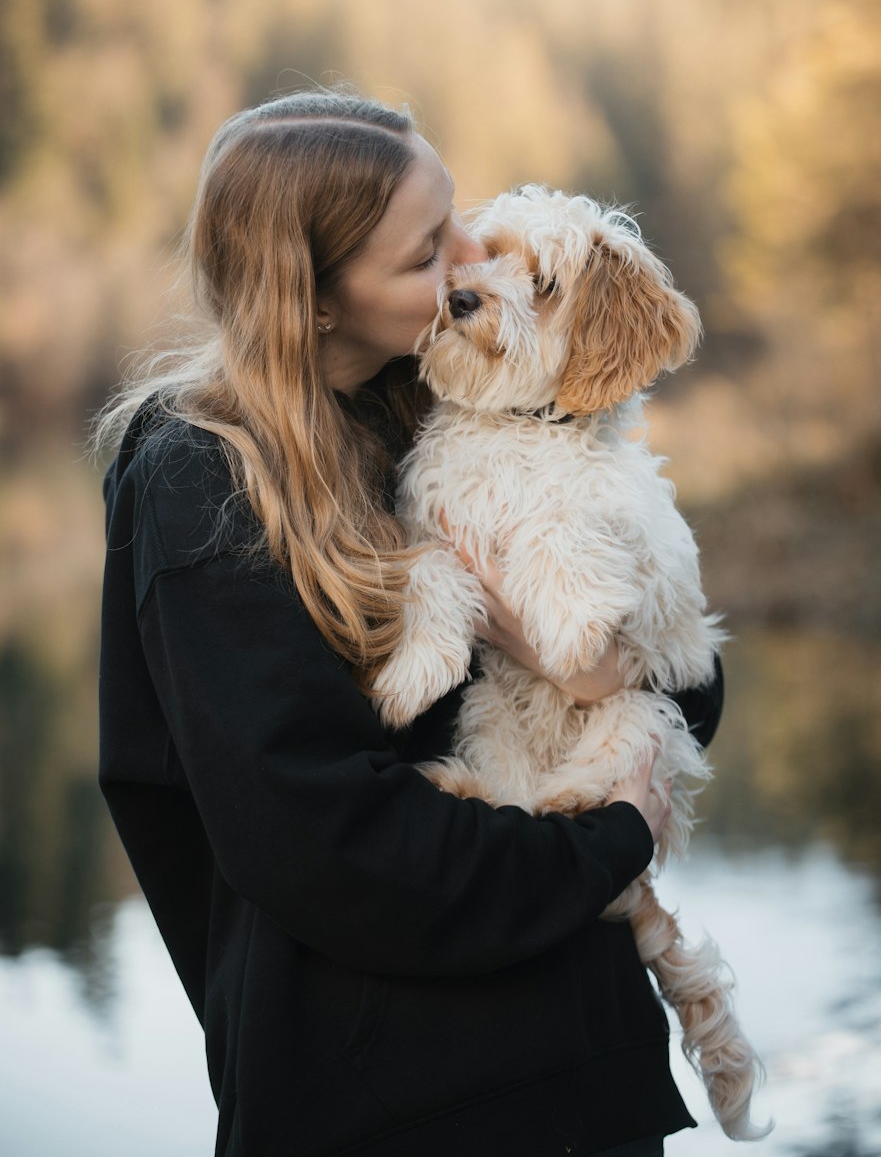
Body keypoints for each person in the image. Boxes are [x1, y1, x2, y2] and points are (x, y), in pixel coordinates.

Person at [96, 89, 725, 1157]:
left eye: (458, 218)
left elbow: (684, 677)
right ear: (319, 298)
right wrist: (607, 840)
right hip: (389, 1101)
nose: (471, 262)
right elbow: (320, 841)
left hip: (584, 1072)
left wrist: (598, 669)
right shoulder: (202, 483)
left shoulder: (456, 400)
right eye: (426, 250)